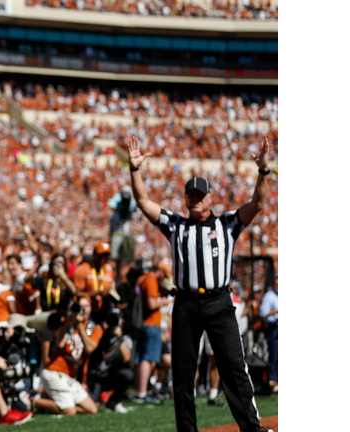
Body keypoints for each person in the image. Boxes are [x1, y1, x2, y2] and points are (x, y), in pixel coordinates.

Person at [126, 135, 273, 432]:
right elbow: (143, 202)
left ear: (210, 199)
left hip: (219, 302)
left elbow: (257, 203)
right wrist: (135, 169)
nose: (194, 199)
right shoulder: (175, 225)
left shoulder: (227, 224)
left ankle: (252, 429)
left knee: (233, 368)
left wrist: (263, 171)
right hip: (186, 304)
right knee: (182, 373)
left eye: (199, 195)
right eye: (190, 195)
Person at [34, 297, 99, 416]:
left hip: (70, 377)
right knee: (70, 411)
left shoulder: (93, 328)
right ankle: (33, 401)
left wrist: (79, 326)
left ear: (91, 308)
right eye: (79, 306)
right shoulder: (65, 322)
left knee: (92, 409)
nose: (82, 309)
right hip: (54, 372)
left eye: (86, 306)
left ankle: (51, 400)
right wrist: (69, 322)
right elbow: (59, 343)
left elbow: (89, 348)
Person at [133, 265, 171, 404]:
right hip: (151, 323)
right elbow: (151, 304)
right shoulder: (151, 280)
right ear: (159, 271)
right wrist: (164, 301)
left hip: (143, 323)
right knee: (147, 359)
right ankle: (142, 392)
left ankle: (141, 391)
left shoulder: (142, 278)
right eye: (164, 274)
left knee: (143, 358)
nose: (163, 278)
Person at [85, 309, 133, 414]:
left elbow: (126, 358)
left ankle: (114, 402)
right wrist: (103, 333)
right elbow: (89, 349)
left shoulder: (124, 337)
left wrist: (119, 338)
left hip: (111, 376)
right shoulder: (97, 330)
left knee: (127, 374)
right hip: (96, 376)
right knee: (89, 405)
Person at [73, 242, 116, 324]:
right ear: (94, 254)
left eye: (106, 255)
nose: (103, 258)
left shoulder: (108, 271)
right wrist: (95, 293)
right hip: (86, 313)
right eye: (100, 255)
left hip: (103, 312)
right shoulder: (82, 269)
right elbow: (77, 294)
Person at [259, 274, 278, 393]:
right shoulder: (269, 296)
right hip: (273, 328)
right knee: (274, 355)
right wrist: (277, 311)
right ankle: (273, 380)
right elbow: (263, 313)